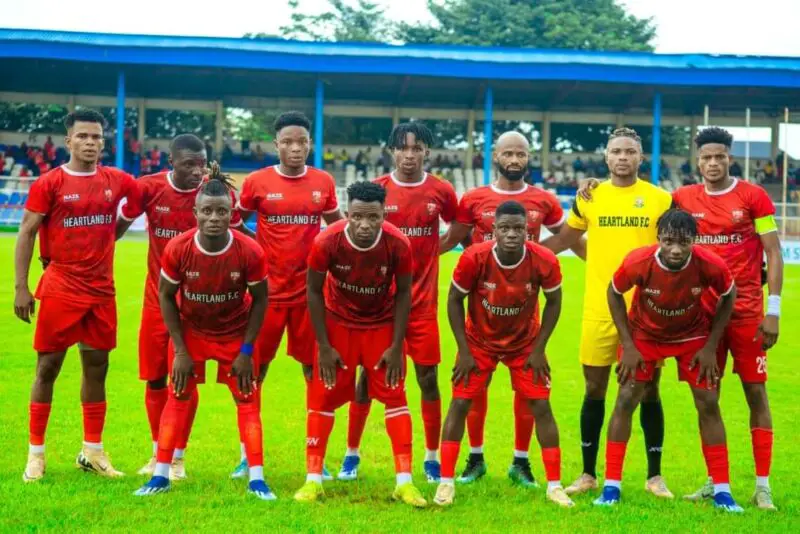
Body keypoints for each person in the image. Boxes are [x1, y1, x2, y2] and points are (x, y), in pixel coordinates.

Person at [438, 131, 584, 487]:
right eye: (508, 153)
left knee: (528, 390)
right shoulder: (473, 198)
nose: (515, 159)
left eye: (521, 153)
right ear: (495, 156)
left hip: (524, 310)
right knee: (475, 388)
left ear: (528, 157)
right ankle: (475, 458)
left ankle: (521, 461)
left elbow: (567, 236)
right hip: (483, 309)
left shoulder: (544, 199)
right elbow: (453, 238)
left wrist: (538, 257)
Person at [541, 127, 674, 498]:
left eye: (630, 151)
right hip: (599, 307)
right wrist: (525, 254)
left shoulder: (660, 199)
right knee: (594, 388)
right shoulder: (591, 196)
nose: (622, 157)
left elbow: (675, 245)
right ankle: (587, 474)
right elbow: (566, 239)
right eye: (616, 151)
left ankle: (654, 476)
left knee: (649, 389)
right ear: (606, 157)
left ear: (641, 157)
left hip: (646, 311)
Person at [16, 109, 139, 482]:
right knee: (48, 368)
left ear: (104, 142)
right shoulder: (50, 182)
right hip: (61, 288)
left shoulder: (116, 180)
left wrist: (116, 230)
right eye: (83, 136)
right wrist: (22, 287)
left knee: (97, 368)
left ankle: (93, 452)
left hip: (101, 291)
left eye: (96, 136)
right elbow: (27, 231)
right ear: (68, 140)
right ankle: (36, 455)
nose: (90, 142)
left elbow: (145, 196)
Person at [116, 134, 248, 480]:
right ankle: (156, 451)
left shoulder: (214, 195)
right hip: (157, 299)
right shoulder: (149, 188)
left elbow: (244, 240)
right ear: (170, 163)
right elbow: (115, 230)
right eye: (189, 164)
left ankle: (177, 457)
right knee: (155, 378)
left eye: (201, 163)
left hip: (197, 306)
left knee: (185, 379)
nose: (197, 171)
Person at [134, 176, 273, 500]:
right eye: (207, 211)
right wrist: (181, 351)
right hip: (192, 333)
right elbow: (165, 296)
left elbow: (261, 300)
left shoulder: (250, 251)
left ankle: (257, 478)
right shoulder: (178, 248)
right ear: (195, 213)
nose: (214, 218)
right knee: (177, 395)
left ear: (232, 213)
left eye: (221, 211)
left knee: (247, 399)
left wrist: (246, 350)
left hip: (234, 335)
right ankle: (161, 474)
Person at [596, 209, 743, 512]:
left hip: (692, 336)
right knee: (626, 399)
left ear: (694, 240)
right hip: (644, 336)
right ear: (658, 239)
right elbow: (613, 292)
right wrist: (628, 345)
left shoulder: (710, 263)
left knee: (708, 402)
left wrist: (710, 346)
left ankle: (723, 491)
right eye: (668, 241)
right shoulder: (639, 261)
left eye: (683, 242)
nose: (675, 249)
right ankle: (611, 487)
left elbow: (729, 294)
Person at [338, 122, 458, 483]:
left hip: (422, 306)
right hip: (381, 307)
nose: (409, 155)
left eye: (417, 148)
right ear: (392, 151)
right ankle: (351, 454)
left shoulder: (441, 190)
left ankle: (432, 457)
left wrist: (435, 251)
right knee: (367, 377)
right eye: (403, 148)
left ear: (427, 152)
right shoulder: (378, 191)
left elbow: (458, 227)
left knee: (428, 378)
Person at [294, 181, 426, 507]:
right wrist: (324, 346)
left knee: (395, 395)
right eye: (357, 217)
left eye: (373, 217)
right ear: (347, 213)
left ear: (384, 215)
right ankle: (313, 480)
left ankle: (405, 483)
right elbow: (313, 291)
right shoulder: (327, 241)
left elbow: (404, 293)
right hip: (338, 324)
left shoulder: (398, 244)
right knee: (323, 395)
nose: (364, 224)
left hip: (381, 325)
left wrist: (396, 345)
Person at [434, 201, 573, 507]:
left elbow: (555, 302)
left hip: (525, 343)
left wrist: (540, 348)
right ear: (493, 230)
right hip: (479, 341)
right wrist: (464, 350)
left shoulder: (544, 259)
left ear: (529, 231)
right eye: (505, 228)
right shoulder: (474, 257)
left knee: (541, 404)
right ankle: (445, 482)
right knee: (460, 401)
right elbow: (454, 300)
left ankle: (554, 485)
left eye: (518, 228)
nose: (512, 234)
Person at [675, 128, 784, 510]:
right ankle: (715, 480)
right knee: (706, 397)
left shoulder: (753, 196)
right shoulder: (683, 198)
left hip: (747, 313)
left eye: (719, 156)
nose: (713, 163)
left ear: (729, 158)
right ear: (698, 161)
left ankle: (763, 486)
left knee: (756, 392)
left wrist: (774, 311)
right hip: (701, 316)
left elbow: (774, 252)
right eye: (706, 157)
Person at [235, 111, 342, 478]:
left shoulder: (323, 181)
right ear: (276, 145)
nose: (296, 148)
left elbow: (338, 228)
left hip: (309, 296)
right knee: (255, 371)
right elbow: (235, 222)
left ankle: (317, 458)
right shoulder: (257, 182)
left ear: (310, 144)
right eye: (288, 142)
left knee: (315, 371)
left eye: (302, 142)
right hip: (265, 295)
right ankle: (247, 456)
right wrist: (257, 251)